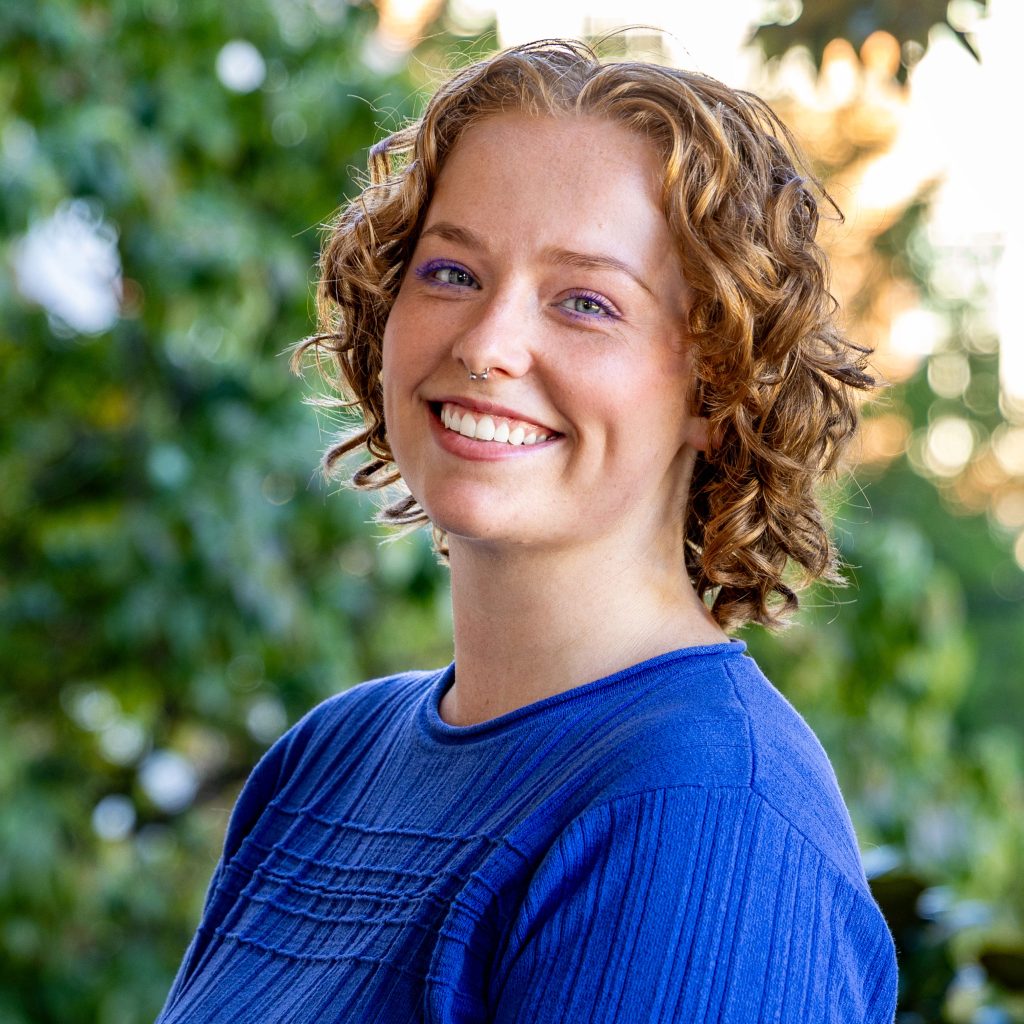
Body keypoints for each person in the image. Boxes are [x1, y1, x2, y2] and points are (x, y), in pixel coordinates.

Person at [156, 38, 898, 1023]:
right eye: (451, 272)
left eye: (585, 302)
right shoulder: (324, 763)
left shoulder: (706, 817)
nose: (488, 344)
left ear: (717, 387)